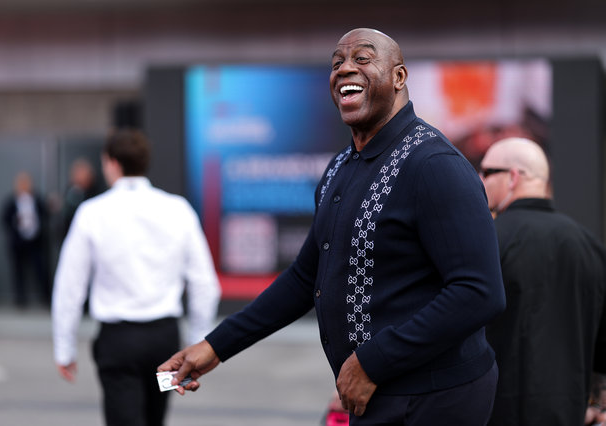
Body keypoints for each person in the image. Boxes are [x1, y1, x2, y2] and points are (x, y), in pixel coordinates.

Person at [158, 28, 506, 425]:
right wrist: (214, 346)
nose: (345, 69)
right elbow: (306, 278)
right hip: (375, 393)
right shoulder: (341, 167)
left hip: (434, 398)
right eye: (337, 62)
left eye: (362, 58)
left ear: (399, 78)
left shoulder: (434, 165)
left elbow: (478, 292)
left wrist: (372, 362)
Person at [51, 129, 221, 426]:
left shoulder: (92, 212)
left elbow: (70, 287)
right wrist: (197, 343)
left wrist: (64, 348)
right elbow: (205, 284)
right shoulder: (178, 209)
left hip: (117, 343)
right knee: (155, 420)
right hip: (166, 341)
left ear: (112, 162)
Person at [479, 137, 606, 426]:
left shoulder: (488, 241)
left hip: (497, 413)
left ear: (512, 177)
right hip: (568, 413)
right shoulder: (590, 246)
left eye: (486, 173)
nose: (479, 180)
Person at [0, 171, 50, 307]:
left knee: (40, 270)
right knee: (18, 272)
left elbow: (45, 214)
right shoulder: (11, 202)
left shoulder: (37, 199)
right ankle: (20, 299)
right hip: (18, 242)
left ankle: (46, 298)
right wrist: (15, 221)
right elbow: (4, 220)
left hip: (36, 241)